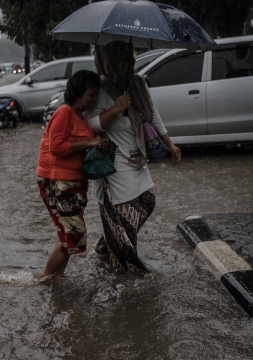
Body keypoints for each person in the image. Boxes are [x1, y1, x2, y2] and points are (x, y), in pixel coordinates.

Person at [85, 41, 181, 274]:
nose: (133, 62)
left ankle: (107, 246)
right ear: (112, 61)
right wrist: (116, 108)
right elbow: (90, 124)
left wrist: (169, 143)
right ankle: (130, 277)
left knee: (148, 201)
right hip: (114, 167)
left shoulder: (137, 83)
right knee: (125, 228)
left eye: (133, 56)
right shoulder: (99, 91)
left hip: (138, 158)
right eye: (127, 58)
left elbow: (153, 112)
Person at [36, 70, 105, 282]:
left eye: (96, 95)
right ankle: (44, 278)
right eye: (91, 94)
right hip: (56, 182)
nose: (94, 99)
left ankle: (56, 278)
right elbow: (57, 147)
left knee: (68, 236)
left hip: (74, 184)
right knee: (75, 235)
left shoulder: (82, 118)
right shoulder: (64, 112)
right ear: (78, 92)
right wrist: (90, 142)